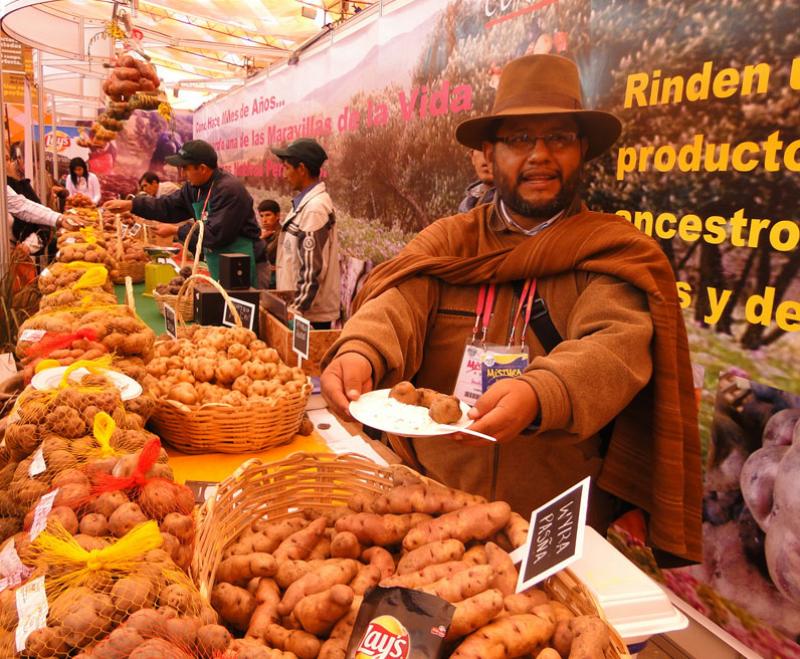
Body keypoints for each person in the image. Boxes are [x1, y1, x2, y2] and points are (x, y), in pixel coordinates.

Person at [320, 54, 702, 563]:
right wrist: (361, 351)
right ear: (488, 153)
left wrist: (541, 391)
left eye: (558, 138)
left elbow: (615, 347)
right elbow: (396, 304)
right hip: (428, 506)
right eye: (520, 139)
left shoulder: (610, 250)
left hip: (553, 523)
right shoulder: (451, 241)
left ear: (582, 150)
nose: (540, 155)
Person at [103, 140, 262, 286]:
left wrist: (178, 230)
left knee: (243, 312)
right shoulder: (193, 188)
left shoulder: (228, 190)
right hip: (219, 261)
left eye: (185, 168)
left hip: (245, 262)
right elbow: (167, 206)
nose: (181, 174)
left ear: (202, 168)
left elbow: (215, 234)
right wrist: (132, 204)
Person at [271, 138, 340, 329]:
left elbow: (312, 267)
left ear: (301, 169)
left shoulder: (314, 209)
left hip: (308, 315)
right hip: (300, 309)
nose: (284, 175)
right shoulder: (306, 204)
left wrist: (296, 308)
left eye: (286, 168)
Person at [256, 199, 281, 289]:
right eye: (261, 216)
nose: (264, 220)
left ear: (277, 216)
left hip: (276, 282)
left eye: (268, 215)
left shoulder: (281, 235)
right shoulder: (262, 234)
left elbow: (266, 253)